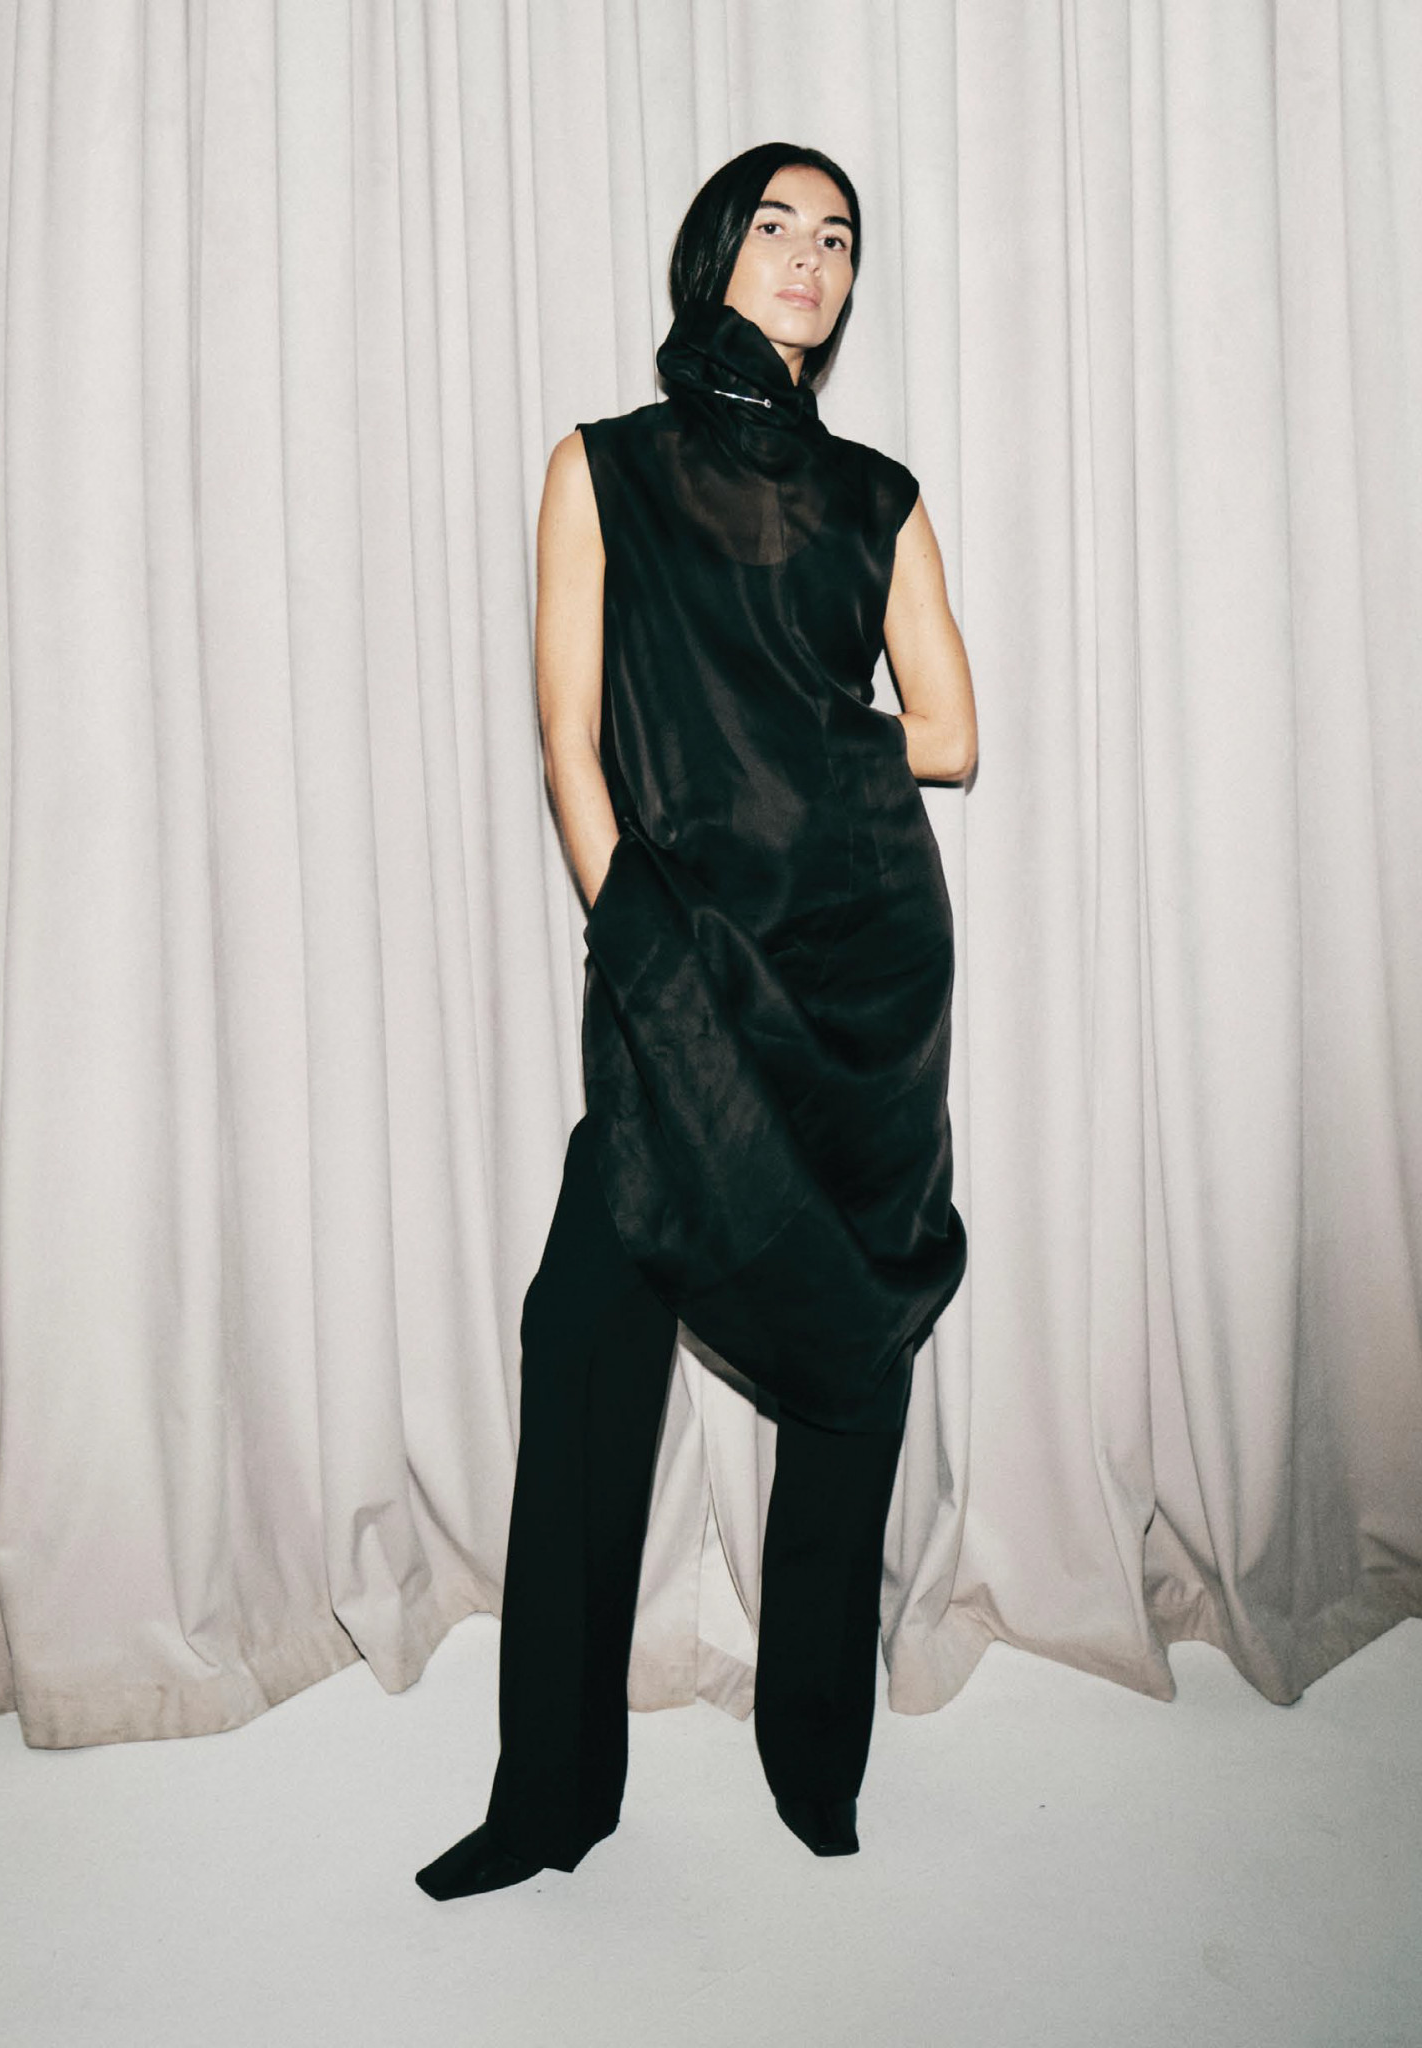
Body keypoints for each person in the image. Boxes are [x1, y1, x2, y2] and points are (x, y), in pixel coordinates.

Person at [415, 142, 976, 1901]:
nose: (808, 257)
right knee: (586, 1328)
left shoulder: (877, 494)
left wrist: (794, 752)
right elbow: (566, 738)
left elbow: (951, 735)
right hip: (679, 968)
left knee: (852, 1350)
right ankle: (550, 1799)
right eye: (776, 227)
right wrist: (634, 930)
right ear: (713, 254)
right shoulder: (603, 467)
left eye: (838, 238)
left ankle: (816, 1763)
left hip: (863, 973)